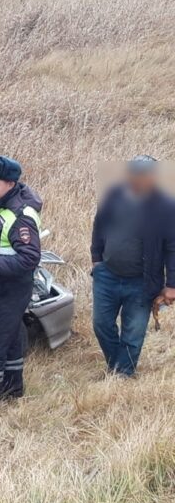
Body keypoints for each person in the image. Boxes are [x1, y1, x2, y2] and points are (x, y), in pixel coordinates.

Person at [91, 155, 175, 376]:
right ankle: (117, 367)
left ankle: (122, 376)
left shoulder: (166, 207)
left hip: (142, 281)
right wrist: (96, 260)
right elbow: (99, 226)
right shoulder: (114, 196)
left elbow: (172, 247)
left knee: (134, 333)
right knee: (101, 325)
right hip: (107, 275)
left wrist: (171, 284)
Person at [0, 155, 42, 401]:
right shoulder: (2, 207)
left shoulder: (19, 215)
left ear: (10, 184)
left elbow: (30, 257)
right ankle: (12, 390)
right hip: (3, 286)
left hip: (10, 289)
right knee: (10, 338)